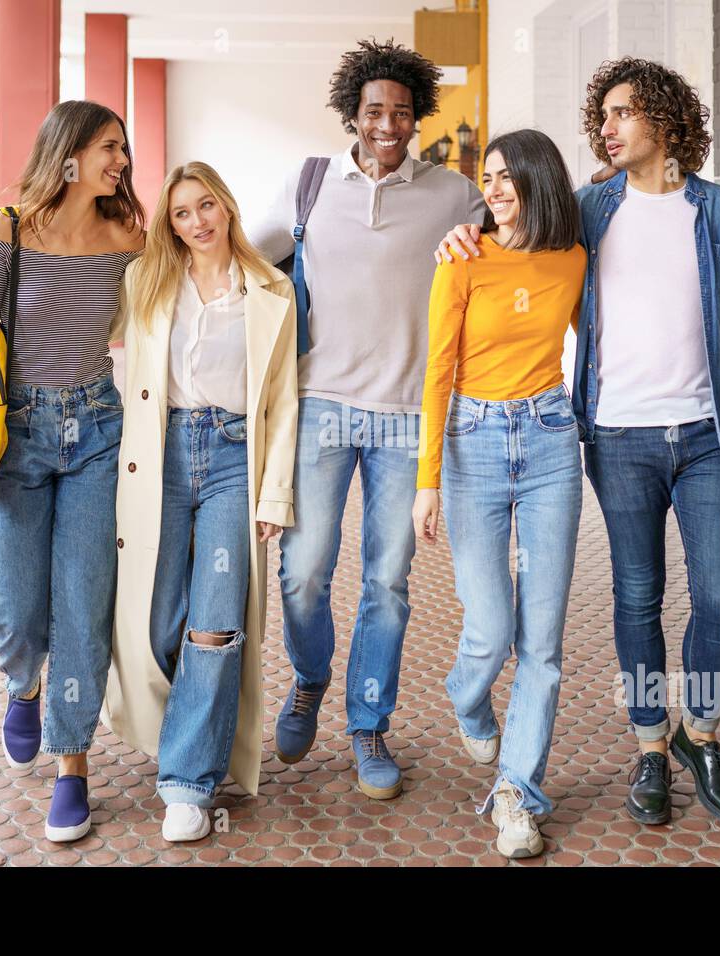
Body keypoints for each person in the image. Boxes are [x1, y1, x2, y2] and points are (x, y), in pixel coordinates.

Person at [436, 57, 720, 828]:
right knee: (638, 597)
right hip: (615, 436)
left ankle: (699, 736)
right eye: (600, 116)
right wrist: (461, 234)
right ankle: (648, 746)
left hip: (708, 434)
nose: (605, 128)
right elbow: (513, 226)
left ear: (666, 121)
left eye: (622, 113)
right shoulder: (587, 210)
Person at [246, 38, 487, 799]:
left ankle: (367, 722)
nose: (388, 123)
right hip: (320, 409)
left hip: (410, 418)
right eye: (374, 110)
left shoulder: (453, 193)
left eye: (402, 112)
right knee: (303, 572)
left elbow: (515, 247)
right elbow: (242, 262)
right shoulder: (309, 185)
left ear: (418, 118)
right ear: (352, 115)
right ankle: (311, 679)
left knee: (388, 579)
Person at [0, 100, 146, 843]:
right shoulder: (1, 230)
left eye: (124, 148)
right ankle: (21, 682)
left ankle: (73, 767)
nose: (121, 161)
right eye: (108, 147)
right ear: (66, 155)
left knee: (83, 603)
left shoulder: (127, 235)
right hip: (18, 436)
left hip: (98, 428)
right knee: (10, 602)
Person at [100, 162, 298, 842]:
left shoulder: (270, 289)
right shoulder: (146, 280)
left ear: (226, 206)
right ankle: (160, 719)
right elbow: (81, 336)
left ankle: (188, 782)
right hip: (161, 457)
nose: (197, 222)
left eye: (205, 205)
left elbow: (284, 400)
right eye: (181, 213)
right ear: (170, 225)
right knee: (156, 620)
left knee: (214, 625)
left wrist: (275, 492)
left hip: (235, 461)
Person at [413, 129, 585, 858]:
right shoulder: (462, 259)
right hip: (472, 443)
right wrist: (426, 481)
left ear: (541, 181)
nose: (496, 189)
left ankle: (517, 794)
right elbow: (438, 372)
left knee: (541, 643)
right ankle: (467, 697)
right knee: (491, 628)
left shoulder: (573, 258)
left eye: (511, 176)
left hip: (550, 438)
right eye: (488, 177)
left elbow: (604, 337)